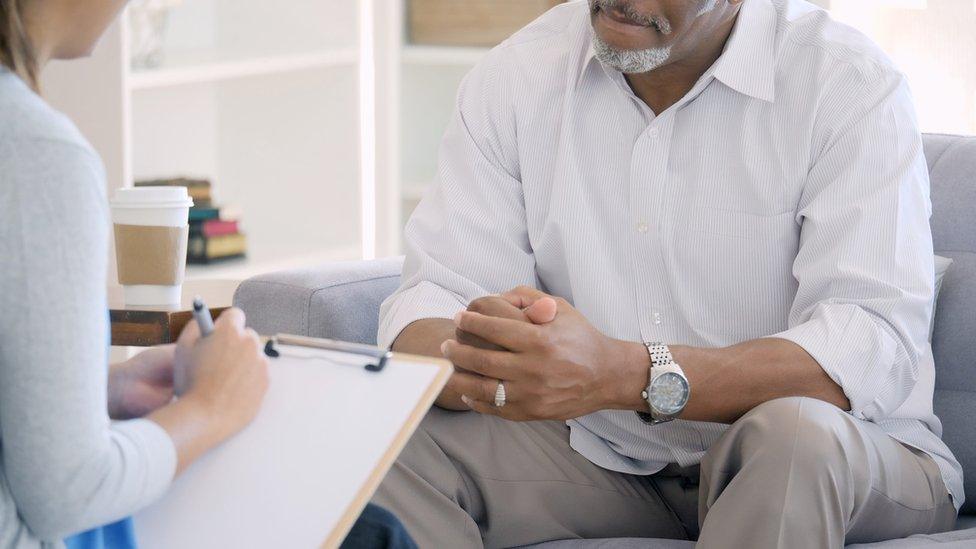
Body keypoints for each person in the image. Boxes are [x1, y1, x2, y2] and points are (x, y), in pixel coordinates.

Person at [372, 0, 964, 547]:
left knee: (795, 438)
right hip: (602, 454)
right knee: (379, 452)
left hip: (847, 456)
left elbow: (866, 350)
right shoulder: (516, 77)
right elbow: (435, 298)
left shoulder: (849, 84)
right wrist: (496, 359)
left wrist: (620, 373)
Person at [0, 1, 415, 548]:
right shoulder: (37, 156)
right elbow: (70, 493)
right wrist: (210, 409)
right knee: (372, 537)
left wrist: (98, 392)